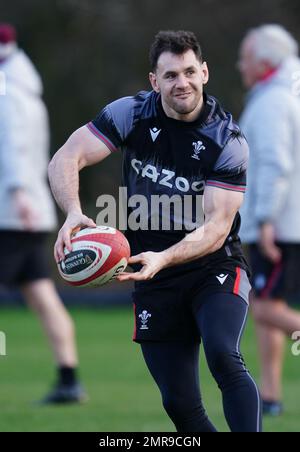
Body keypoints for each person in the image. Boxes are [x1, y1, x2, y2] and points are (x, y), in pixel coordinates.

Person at [49, 30, 261, 432]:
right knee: (179, 403)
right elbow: (67, 156)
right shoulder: (131, 113)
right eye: (169, 75)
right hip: (151, 275)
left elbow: (216, 228)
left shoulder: (227, 140)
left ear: (204, 72)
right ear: (154, 81)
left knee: (223, 356)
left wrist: (164, 257)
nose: (180, 83)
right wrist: (73, 213)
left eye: (188, 72)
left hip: (213, 265)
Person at [0, 23, 87, 404]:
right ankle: (69, 378)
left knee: (41, 295)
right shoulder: (25, 88)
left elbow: (14, 146)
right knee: (41, 294)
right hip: (28, 211)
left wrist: (18, 192)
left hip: (12, 212)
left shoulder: (7, 91)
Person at [238, 24, 300, 416]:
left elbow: (274, 163)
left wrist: (265, 219)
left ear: (263, 62)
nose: (239, 65)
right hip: (285, 221)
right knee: (266, 301)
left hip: (279, 225)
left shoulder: (273, 102)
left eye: (244, 57)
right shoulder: (282, 94)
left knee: (263, 309)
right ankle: (271, 395)